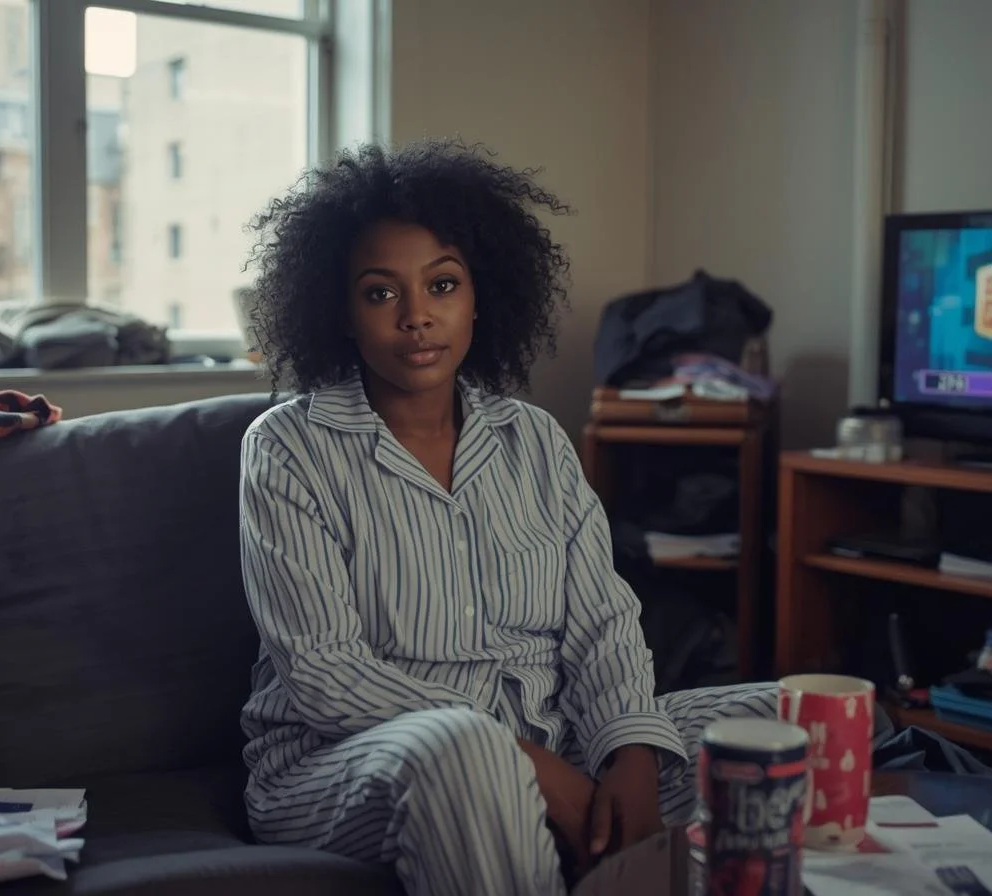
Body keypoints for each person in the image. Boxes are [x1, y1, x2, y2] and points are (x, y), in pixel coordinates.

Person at [237, 139, 778, 896]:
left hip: (549, 736)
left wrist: (627, 752)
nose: (418, 317)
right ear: (342, 313)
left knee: (789, 711)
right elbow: (326, 674)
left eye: (443, 284)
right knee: (468, 750)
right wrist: (531, 766)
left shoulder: (536, 439)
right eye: (382, 293)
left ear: (479, 296)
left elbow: (602, 624)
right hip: (345, 767)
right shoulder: (288, 448)